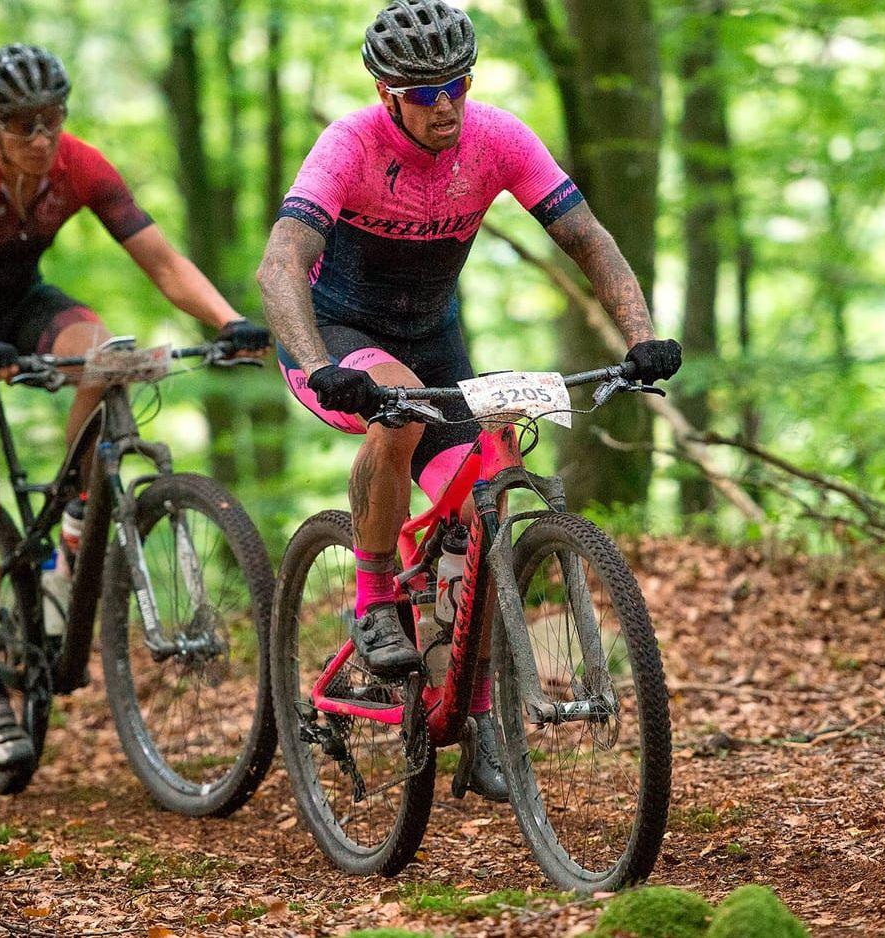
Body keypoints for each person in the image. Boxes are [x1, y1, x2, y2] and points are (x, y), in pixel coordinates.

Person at [256, 0, 681, 801]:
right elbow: (280, 265)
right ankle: (374, 600)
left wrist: (642, 336)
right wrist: (316, 364)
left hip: (432, 338)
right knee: (397, 411)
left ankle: (477, 718)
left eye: (457, 84)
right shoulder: (348, 145)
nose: (444, 104)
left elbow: (587, 237)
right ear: (386, 94)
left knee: (485, 503)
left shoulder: (498, 139)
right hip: (336, 338)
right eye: (423, 93)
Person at [0, 43, 268, 769]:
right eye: (22, 123)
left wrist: (227, 320)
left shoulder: (80, 167)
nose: (41, 137)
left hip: (20, 301)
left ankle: (73, 528)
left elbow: (162, 261)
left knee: (104, 353)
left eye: (52, 118)